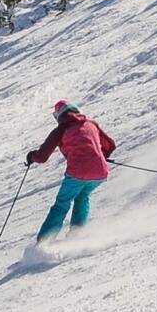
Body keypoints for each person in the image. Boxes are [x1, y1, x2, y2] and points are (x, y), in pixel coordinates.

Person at [26, 98, 116, 240]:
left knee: (62, 204)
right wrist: (98, 155)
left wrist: (32, 157)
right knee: (82, 197)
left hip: (77, 173)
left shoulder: (61, 130)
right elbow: (110, 145)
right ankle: (76, 236)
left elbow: (42, 157)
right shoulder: (91, 124)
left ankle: (44, 242)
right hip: (100, 171)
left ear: (59, 116)